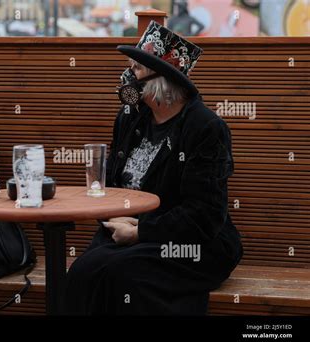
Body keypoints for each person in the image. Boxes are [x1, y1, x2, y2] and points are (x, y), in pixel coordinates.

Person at [65, 20, 243, 315]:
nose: (126, 78)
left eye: (134, 70)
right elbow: (113, 185)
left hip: (195, 244)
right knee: (83, 271)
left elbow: (205, 215)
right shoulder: (130, 119)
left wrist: (142, 232)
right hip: (129, 233)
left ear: (161, 81)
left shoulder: (205, 128)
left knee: (120, 276)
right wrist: (111, 217)